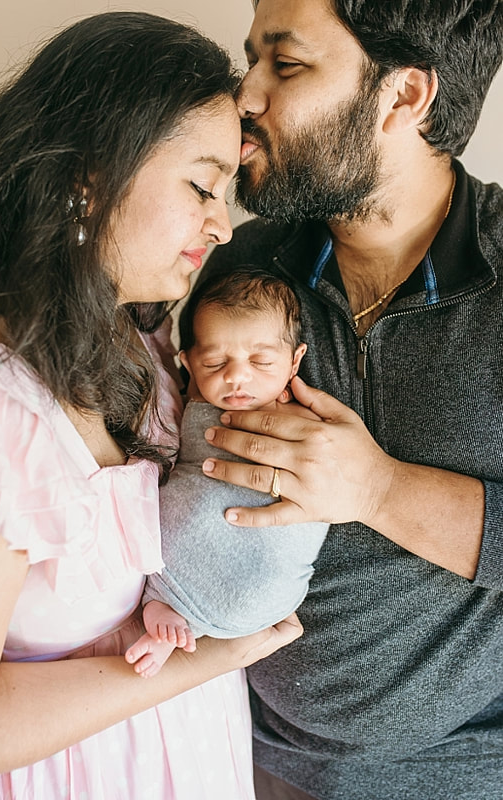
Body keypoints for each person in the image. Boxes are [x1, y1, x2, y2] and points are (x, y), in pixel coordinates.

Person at [0, 12, 302, 799]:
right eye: (200, 185)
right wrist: (217, 655)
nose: (222, 226)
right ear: (89, 177)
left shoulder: (146, 345)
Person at [191, 1, 503, 797]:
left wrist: (377, 488)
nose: (244, 98)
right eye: (249, 61)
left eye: (284, 65)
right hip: (229, 747)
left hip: (461, 772)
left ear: (404, 97)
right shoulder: (236, 262)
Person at [125, 268, 326, 677]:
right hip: (178, 577)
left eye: (261, 361)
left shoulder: (313, 417)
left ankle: (175, 622)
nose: (236, 376)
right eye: (215, 362)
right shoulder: (188, 404)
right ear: (188, 363)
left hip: (269, 589)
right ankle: (165, 612)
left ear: (295, 361)